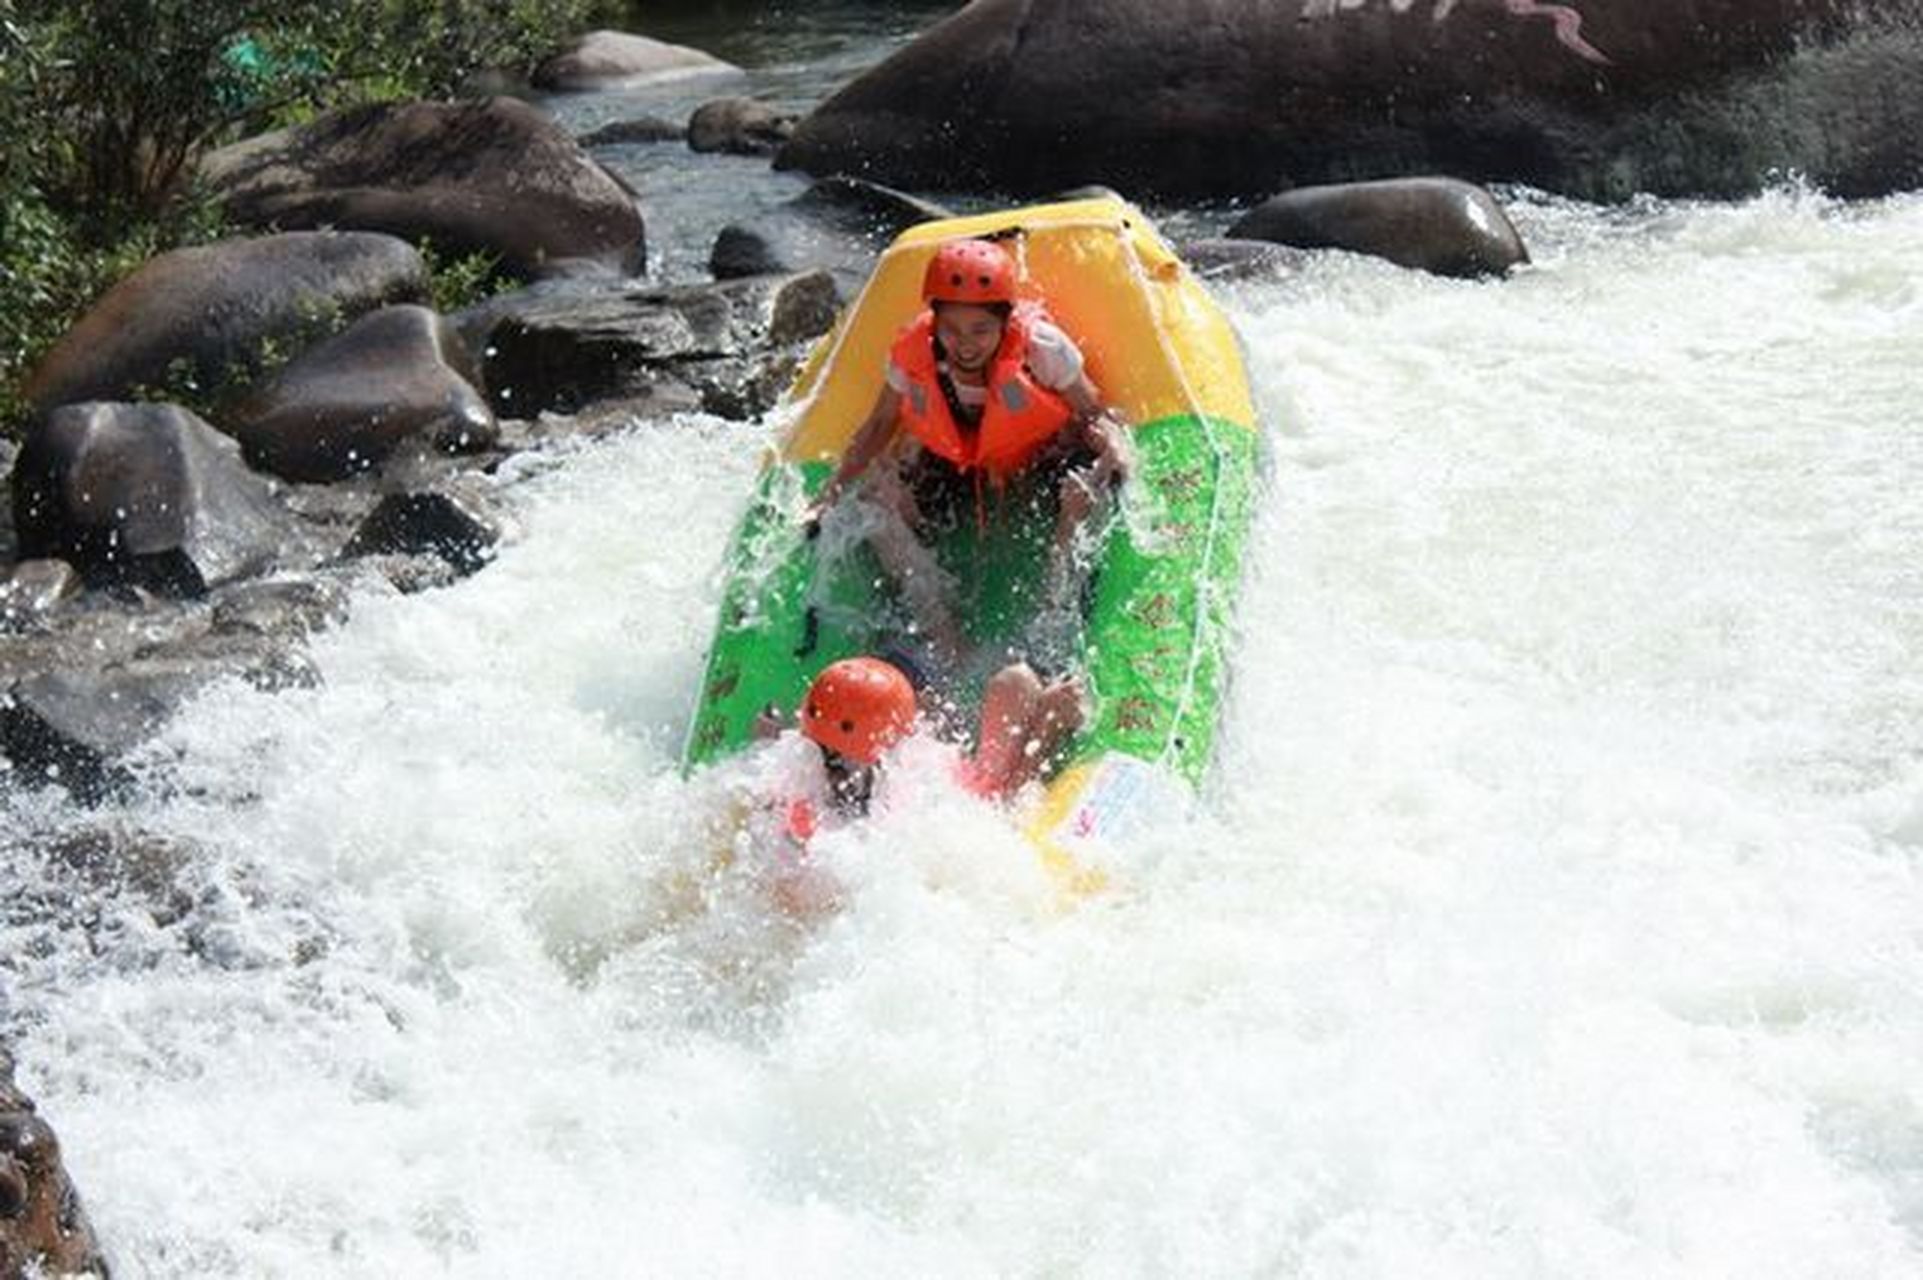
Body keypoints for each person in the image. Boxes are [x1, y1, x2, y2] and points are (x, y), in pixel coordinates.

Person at [803, 238, 1131, 669]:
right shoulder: (912, 354)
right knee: (876, 502)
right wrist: (829, 494)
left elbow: (1093, 413)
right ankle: (946, 635)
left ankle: (1050, 626)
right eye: (952, 330)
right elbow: (879, 425)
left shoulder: (1043, 349)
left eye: (981, 330)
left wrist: (1114, 454)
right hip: (956, 465)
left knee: (1079, 496)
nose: (966, 345)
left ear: (1005, 322)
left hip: (1036, 459)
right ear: (934, 322)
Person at [750, 656, 1086, 903]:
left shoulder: (798, 778)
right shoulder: (897, 820)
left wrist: (769, 741)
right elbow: (1005, 827)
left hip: (938, 800)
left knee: (1015, 682)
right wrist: (1046, 728)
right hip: (974, 814)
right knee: (1018, 685)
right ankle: (1054, 720)